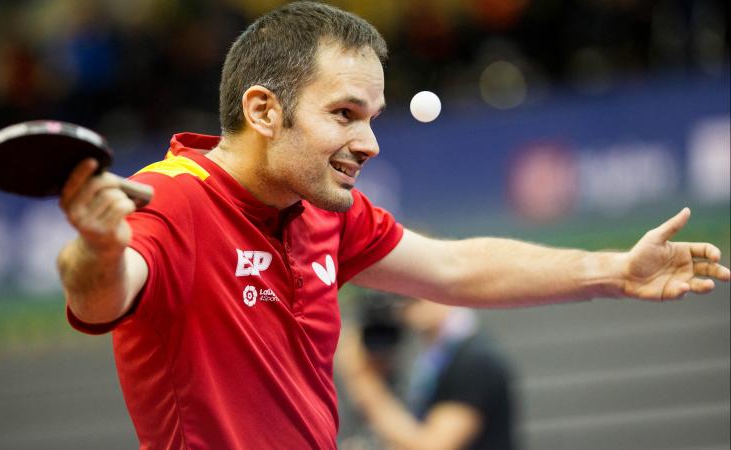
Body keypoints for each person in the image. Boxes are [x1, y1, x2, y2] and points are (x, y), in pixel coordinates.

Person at [55, 2, 730, 448]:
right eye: (346, 114)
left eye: (373, 117)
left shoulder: (319, 207)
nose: (371, 142)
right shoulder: (173, 200)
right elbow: (99, 294)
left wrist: (611, 269)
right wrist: (95, 248)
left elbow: (455, 268)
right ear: (264, 111)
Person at [337, 299, 518, 450]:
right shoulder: (432, 358)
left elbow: (432, 446)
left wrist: (362, 378)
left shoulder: (474, 361)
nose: (404, 299)